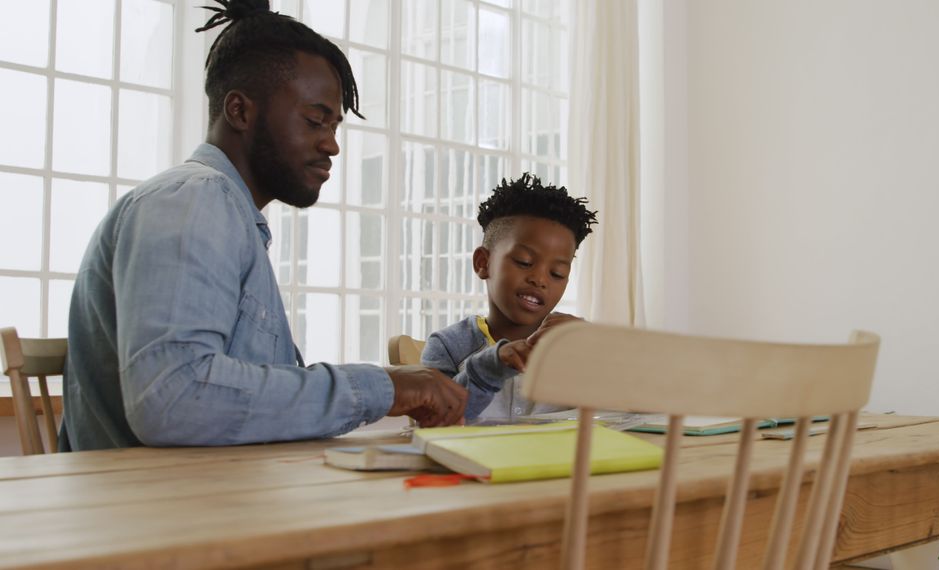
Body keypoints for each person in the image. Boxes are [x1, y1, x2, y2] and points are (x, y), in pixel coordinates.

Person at [59, 0, 466, 451]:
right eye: (315, 120)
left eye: (335, 126)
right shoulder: (194, 200)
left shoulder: (228, 215)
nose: (332, 145)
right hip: (157, 512)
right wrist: (384, 387)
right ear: (239, 111)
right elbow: (172, 400)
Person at [421, 174, 598, 422]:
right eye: (524, 262)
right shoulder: (449, 346)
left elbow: (631, 410)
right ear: (484, 263)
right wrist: (490, 367)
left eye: (557, 273)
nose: (540, 279)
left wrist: (601, 351)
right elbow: (435, 420)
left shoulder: (575, 344)